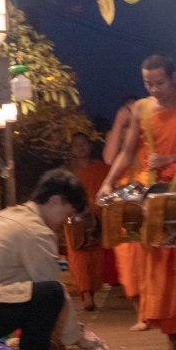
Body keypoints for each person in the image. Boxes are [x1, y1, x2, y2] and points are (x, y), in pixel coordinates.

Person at [98, 54, 176, 350]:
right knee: (160, 273)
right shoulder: (142, 109)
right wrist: (107, 182)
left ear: (175, 78)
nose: (154, 89)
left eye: (160, 82)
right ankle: (172, 343)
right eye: (148, 83)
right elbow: (127, 152)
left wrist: (172, 159)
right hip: (155, 197)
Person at [0, 169, 87, 350]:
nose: (65, 222)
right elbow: (55, 289)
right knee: (51, 293)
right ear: (55, 201)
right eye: (67, 214)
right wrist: (79, 339)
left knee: (31, 291)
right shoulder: (35, 231)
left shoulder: (11, 214)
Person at [102, 95, 147, 331]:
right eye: (127, 112)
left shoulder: (149, 133)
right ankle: (140, 313)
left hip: (146, 196)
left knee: (149, 257)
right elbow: (110, 158)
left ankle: (154, 311)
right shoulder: (117, 135)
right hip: (124, 201)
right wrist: (119, 125)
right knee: (128, 258)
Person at [64, 132, 110, 311]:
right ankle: (86, 294)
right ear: (71, 150)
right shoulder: (67, 172)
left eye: (83, 143)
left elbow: (110, 189)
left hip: (98, 218)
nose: (80, 147)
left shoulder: (102, 168)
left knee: (96, 258)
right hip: (76, 219)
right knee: (78, 256)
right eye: (76, 145)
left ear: (90, 146)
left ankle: (92, 290)